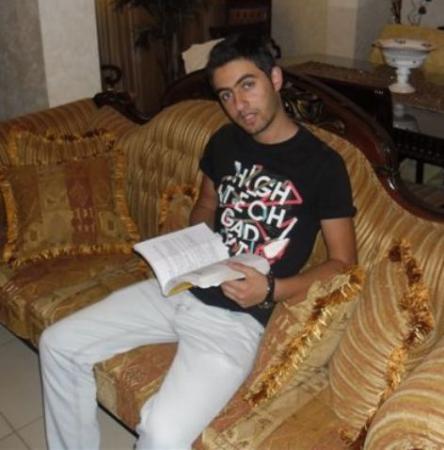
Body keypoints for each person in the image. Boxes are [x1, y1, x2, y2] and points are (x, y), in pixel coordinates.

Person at [39, 33, 357, 450]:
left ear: (275, 78)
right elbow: (206, 204)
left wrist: (272, 289)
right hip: (183, 286)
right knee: (57, 344)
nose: (239, 105)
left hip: (238, 320)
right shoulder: (224, 141)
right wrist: (195, 246)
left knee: (162, 435)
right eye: (226, 95)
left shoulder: (323, 165)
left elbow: (343, 263)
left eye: (247, 85)